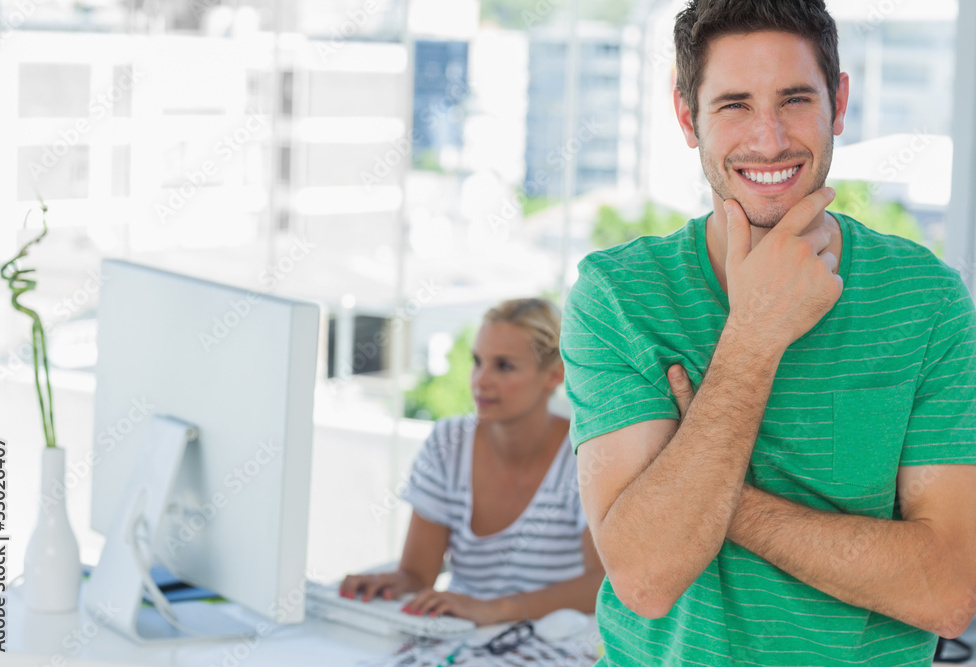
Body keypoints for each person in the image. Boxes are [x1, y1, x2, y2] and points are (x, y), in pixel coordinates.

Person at [560, 1, 976, 665]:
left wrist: (727, 500)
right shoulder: (619, 297)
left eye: (795, 98)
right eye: (733, 105)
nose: (769, 138)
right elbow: (645, 576)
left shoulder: (927, 301)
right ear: (685, 115)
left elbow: (948, 589)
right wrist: (753, 336)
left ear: (838, 102)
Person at [341, 298, 604, 625]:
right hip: (462, 635)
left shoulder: (584, 455)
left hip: (552, 642)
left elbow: (601, 584)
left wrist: (496, 610)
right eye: (477, 361)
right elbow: (418, 575)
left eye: (504, 366)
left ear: (554, 375)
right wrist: (394, 583)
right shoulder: (448, 443)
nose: (480, 380)